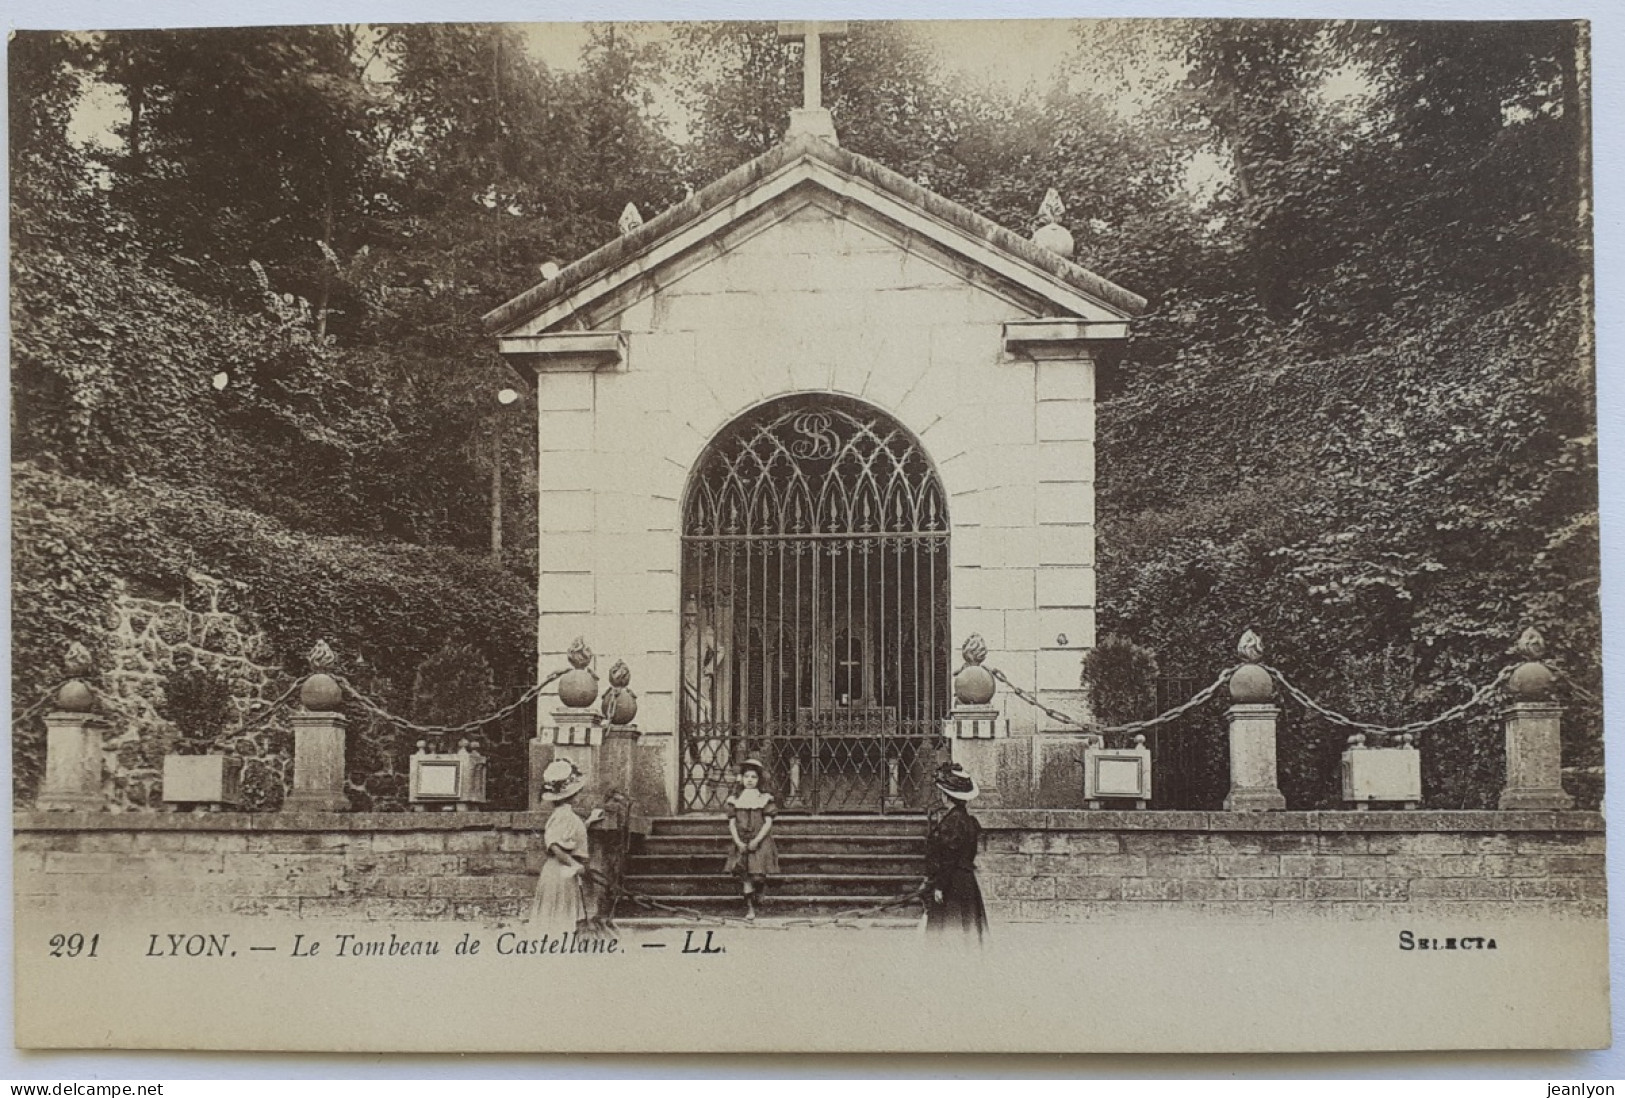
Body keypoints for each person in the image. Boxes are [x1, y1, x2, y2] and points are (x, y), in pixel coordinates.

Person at [529, 759, 599, 935]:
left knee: (562, 918)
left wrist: (588, 822)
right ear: (573, 794)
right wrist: (574, 865)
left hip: (562, 871)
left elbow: (567, 836)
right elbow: (554, 845)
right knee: (559, 922)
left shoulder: (564, 814)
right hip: (561, 871)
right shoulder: (564, 815)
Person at [923, 761, 988, 943]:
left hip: (953, 883)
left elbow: (949, 859)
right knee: (965, 930)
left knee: (949, 930)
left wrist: (939, 886)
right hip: (966, 882)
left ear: (946, 796)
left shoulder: (953, 822)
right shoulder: (967, 819)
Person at [724, 758, 780, 921]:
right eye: (747, 776)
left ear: (759, 780)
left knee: (758, 876)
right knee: (745, 876)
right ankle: (750, 908)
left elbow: (768, 822)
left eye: (754, 777)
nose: (750, 780)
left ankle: (760, 889)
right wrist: (738, 842)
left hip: (760, 841)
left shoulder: (764, 798)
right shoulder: (734, 799)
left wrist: (757, 840)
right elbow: (732, 824)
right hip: (741, 840)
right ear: (741, 778)